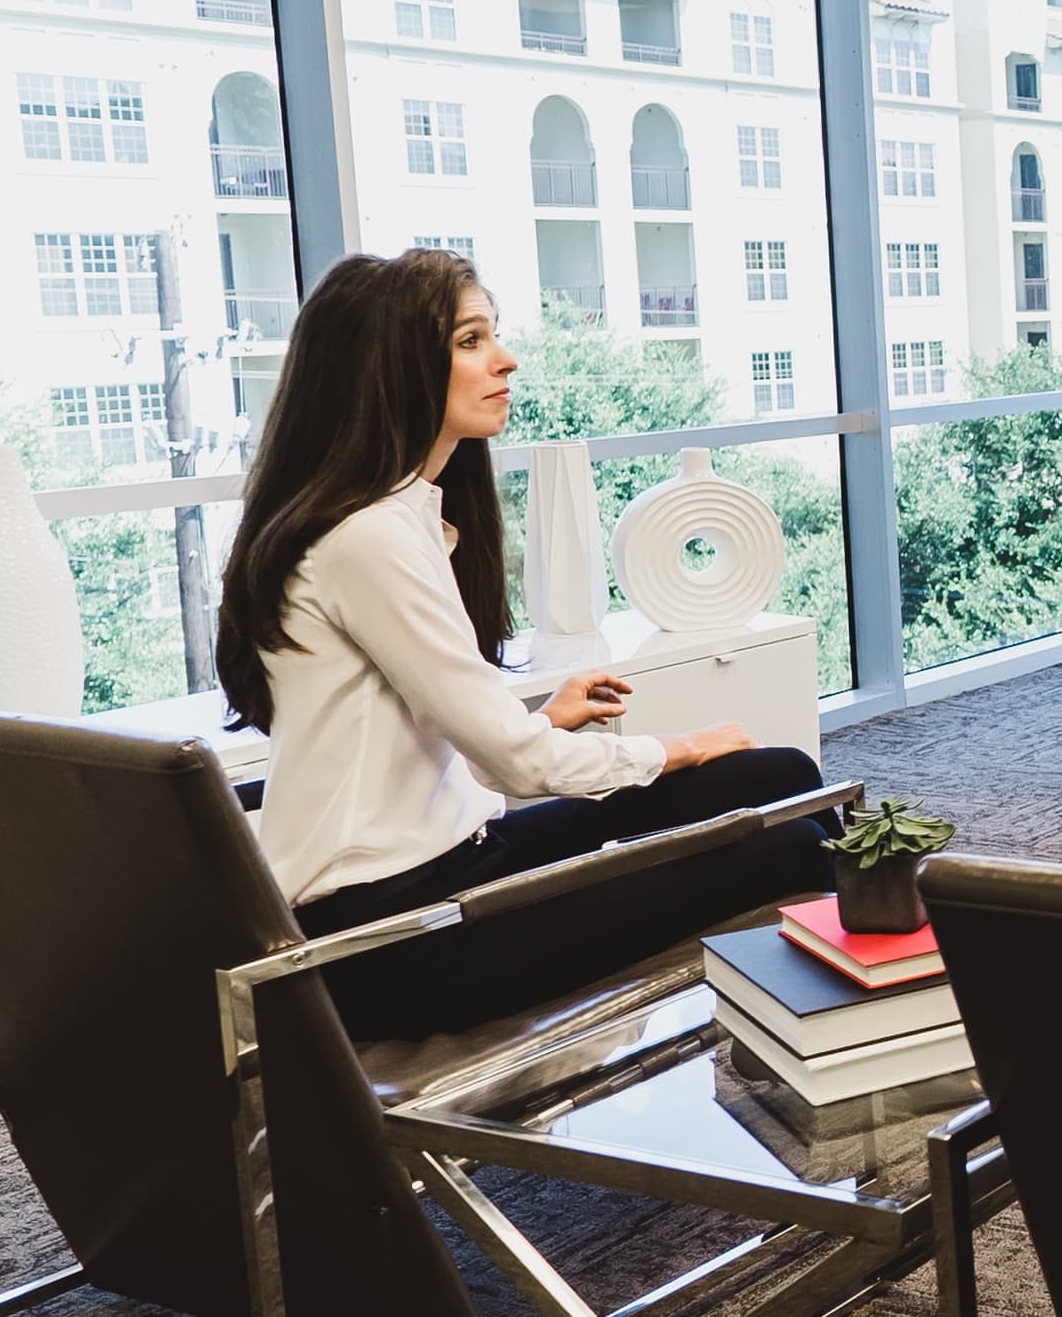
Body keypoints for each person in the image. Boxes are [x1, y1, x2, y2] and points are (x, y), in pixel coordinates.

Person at [217, 248, 831, 1042]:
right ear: (391, 363)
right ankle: (851, 1075)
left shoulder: (390, 517)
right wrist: (679, 746)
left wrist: (546, 715)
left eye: (493, 336)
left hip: (453, 857)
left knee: (781, 775)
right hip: (391, 935)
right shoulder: (366, 536)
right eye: (470, 339)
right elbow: (520, 767)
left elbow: (449, 743)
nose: (505, 359)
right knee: (793, 844)